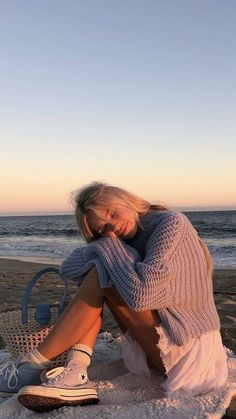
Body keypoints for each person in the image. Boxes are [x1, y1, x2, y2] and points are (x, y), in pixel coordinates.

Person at [0, 182, 228, 412]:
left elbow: (143, 295)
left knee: (102, 273)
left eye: (113, 213)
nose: (112, 228)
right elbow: (69, 268)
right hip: (158, 347)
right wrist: (108, 247)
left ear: (125, 200)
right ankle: (74, 372)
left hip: (188, 351)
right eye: (102, 230)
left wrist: (109, 247)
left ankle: (31, 366)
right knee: (102, 271)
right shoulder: (121, 240)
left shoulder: (171, 224)